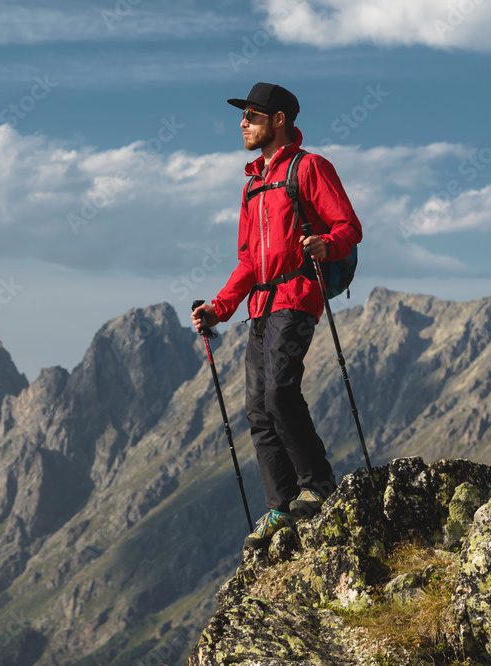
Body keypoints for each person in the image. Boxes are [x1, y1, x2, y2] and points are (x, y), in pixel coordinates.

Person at [190, 82, 362, 549]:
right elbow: (248, 261)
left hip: (298, 293)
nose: (242, 122)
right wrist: (220, 308)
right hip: (260, 305)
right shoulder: (252, 187)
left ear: (279, 119)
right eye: (243, 115)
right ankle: (280, 506)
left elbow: (350, 226)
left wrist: (329, 244)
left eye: (252, 114)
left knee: (281, 391)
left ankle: (318, 483)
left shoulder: (309, 168)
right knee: (257, 408)